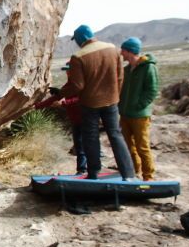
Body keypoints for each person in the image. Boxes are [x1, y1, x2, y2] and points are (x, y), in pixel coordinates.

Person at [61, 24, 136, 180]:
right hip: (112, 101)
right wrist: (116, 95)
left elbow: (77, 85)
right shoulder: (112, 49)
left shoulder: (79, 57)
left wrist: (61, 94)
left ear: (80, 39)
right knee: (116, 135)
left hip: (90, 104)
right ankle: (128, 173)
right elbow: (120, 77)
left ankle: (94, 172)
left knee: (91, 137)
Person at [118, 37, 159, 181]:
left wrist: (139, 105)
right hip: (125, 114)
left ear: (129, 51)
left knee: (142, 146)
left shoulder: (148, 67)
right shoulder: (127, 70)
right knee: (128, 146)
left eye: (123, 50)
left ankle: (148, 176)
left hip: (140, 115)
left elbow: (152, 91)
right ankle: (134, 171)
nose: (121, 53)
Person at [35, 65, 86, 174]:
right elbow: (55, 98)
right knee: (79, 144)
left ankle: (84, 170)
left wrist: (63, 103)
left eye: (69, 70)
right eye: (67, 71)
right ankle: (82, 170)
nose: (67, 73)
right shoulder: (69, 85)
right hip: (75, 119)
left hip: (85, 119)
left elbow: (81, 99)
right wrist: (37, 106)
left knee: (82, 145)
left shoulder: (81, 84)